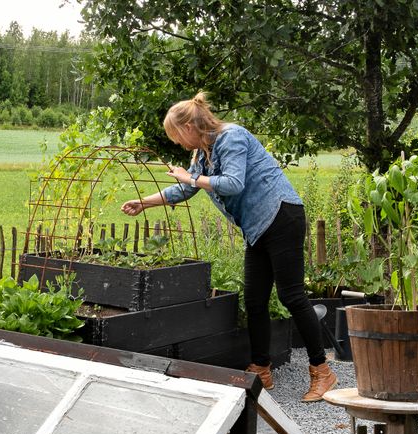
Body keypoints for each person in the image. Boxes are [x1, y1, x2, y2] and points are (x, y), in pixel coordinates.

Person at [121, 92, 337, 402]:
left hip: (281, 216)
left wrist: (192, 179)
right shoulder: (202, 154)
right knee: (255, 300)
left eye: (176, 136)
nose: (178, 143)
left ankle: (321, 371)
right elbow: (185, 188)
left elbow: (233, 183)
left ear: (189, 127)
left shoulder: (232, 137)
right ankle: (261, 367)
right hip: (257, 228)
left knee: (291, 296)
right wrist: (145, 202)